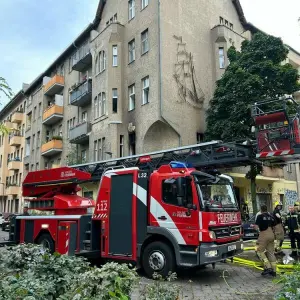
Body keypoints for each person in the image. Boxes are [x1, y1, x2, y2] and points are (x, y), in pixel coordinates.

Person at [255, 204, 276, 277]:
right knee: (271, 253)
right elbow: (274, 226)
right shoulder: (271, 216)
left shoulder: (260, 216)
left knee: (258, 250)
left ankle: (268, 267)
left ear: (261, 210)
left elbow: (256, 227)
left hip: (264, 235)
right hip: (272, 235)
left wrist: (254, 227)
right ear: (267, 209)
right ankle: (274, 271)